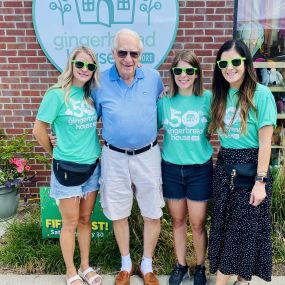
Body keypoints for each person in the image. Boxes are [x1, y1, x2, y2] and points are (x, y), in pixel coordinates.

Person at [92, 28, 165, 285]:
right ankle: (126, 264)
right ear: (113, 53)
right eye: (122, 52)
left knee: (152, 211)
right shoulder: (99, 82)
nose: (128, 59)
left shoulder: (154, 78)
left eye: (134, 53)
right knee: (118, 212)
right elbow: (85, 116)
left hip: (148, 154)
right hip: (114, 156)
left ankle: (146, 265)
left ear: (140, 55)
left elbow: (166, 109)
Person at [208, 39, 277, 285]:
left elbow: (266, 143)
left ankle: (223, 282)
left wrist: (260, 181)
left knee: (242, 229)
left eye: (235, 61)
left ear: (245, 63)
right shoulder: (219, 94)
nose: (230, 67)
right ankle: (242, 279)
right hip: (225, 168)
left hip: (251, 170)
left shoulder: (262, 94)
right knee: (226, 226)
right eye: (224, 63)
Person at [33, 46, 102, 285]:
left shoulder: (92, 95)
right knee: (70, 223)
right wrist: (54, 152)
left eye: (90, 66)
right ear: (71, 64)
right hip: (66, 169)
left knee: (85, 220)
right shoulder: (56, 94)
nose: (85, 70)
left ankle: (85, 266)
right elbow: (39, 129)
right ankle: (70, 270)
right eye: (80, 64)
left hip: (92, 167)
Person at [157, 50, 213, 285]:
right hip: (171, 168)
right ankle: (181, 265)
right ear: (173, 73)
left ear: (196, 73)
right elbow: (146, 127)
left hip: (199, 169)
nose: (183, 75)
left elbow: (223, 123)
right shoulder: (164, 101)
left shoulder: (208, 99)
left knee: (198, 223)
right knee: (178, 221)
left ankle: (200, 266)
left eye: (189, 70)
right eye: (178, 70)